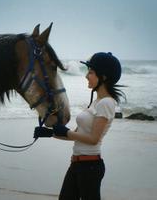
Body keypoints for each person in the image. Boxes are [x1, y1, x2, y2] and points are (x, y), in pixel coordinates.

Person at [34, 52, 126, 200]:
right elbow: (76, 135)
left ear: (103, 77)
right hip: (78, 164)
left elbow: (93, 139)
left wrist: (66, 132)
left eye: (91, 72)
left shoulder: (106, 103)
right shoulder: (96, 103)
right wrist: (49, 133)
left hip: (90, 166)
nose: (86, 76)